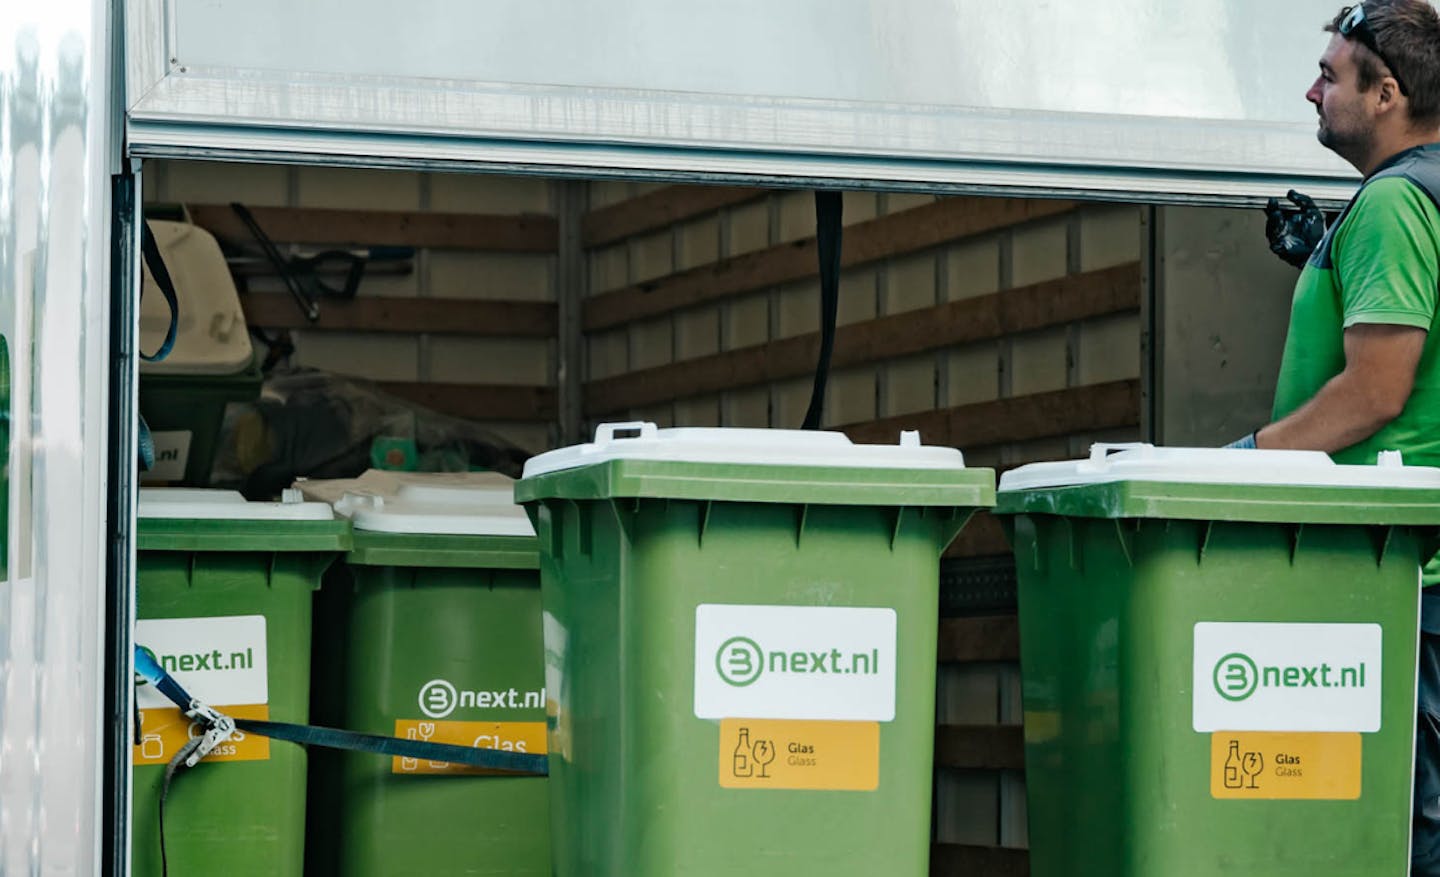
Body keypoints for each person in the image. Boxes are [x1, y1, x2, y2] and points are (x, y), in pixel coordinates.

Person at [1236, 2, 1440, 871]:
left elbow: (1377, 390)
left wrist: (1250, 462)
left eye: (1330, 74)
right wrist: (1329, 247)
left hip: (1401, 579)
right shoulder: (1414, 197)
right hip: (1411, 571)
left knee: (1402, 829)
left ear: (1387, 93)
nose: (1310, 89)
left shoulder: (1397, 204)